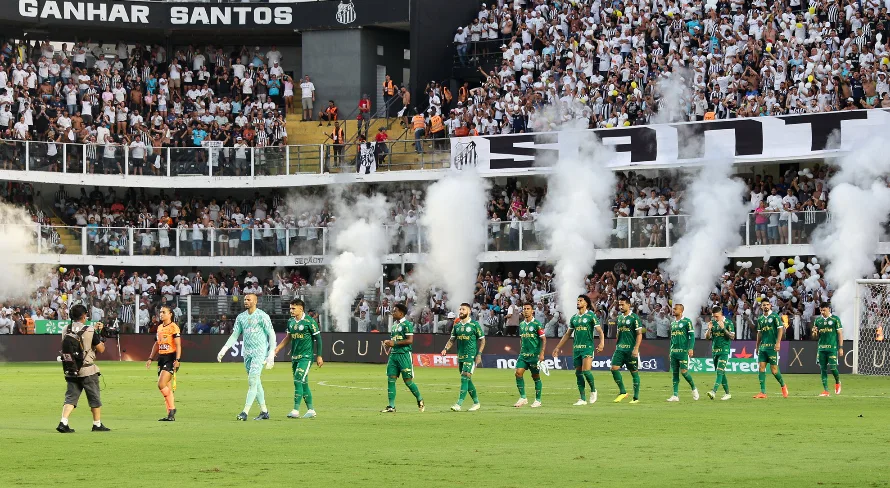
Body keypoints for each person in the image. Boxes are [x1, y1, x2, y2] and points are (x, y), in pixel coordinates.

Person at [217, 293, 276, 420]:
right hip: (247, 353)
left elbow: (271, 334)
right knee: (256, 382)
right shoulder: (241, 317)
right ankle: (264, 411)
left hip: (259, 352)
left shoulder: (262, 316)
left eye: (249, 299)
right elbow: (235, 335)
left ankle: (245, 412)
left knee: (252, 380)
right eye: (245, 299)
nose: (246, 301)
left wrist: (271, 352)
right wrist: (225, 348)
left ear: (255, 301)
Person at [57, 304, 110, 433]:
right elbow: (101, 349)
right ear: (84, 315)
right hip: (87, 369)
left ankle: (63, 422)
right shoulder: (90, 330)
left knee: (70, 397)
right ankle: (96, 424)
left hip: (71, 368)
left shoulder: (65, 329)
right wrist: (100, 336)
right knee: (94, 397)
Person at [273, 299, 323, 418]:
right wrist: (278, 348)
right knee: (303, 383)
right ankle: (311, 410)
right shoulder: (291, 321)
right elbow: (288, 337)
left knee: (297, 380)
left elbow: (319, 339)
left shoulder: (309, 321)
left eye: (293, 308)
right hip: (295, 357)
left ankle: (295, 410)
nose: (291, 310)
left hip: (306, 357)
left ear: (301, 308)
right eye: (290, 308)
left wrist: (319, 356)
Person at [551, 295, 603, 406]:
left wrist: (602, 343)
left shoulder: (591, 315)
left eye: (580, 301)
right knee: (578, 373)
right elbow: (567, 334)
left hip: (588, 347)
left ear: (586, 303)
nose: (578, 302)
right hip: (576, 349)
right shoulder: (574, 318)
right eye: (577, 300)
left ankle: (593, 390)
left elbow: (599, 330)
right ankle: (582, 399)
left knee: (586, 371)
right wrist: (557, 347)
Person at [381, 303, 424, 413]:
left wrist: (393, 343)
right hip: (394, 356)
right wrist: (388, 343)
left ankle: (420, 399)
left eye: (395, 311)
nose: (393, 312)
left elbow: (410, 341)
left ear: (401, 313)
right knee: (391, 380)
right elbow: (394, 341)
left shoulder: (407, 324)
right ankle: (391, 406)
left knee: (408, 381)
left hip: (404, 356)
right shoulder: (394, 326)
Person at [441, 303, 485, 411]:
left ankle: (459, 404)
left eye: (463, 309)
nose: (461, 311)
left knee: (464, 377)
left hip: (471, 356)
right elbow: (452, 340)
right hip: (460, 356)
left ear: (469, 311)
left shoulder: (474, 325)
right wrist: (445, 349)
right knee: (467, 380)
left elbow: (482, 340)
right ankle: (476, 402)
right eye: (460, 309)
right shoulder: (457, 326)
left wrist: (479, 354)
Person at [145, 305, 181, 421]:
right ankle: (170, 413)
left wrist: (178, 360)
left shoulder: (174, 327)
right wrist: (151, 358)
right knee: (167, 387)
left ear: (170, 314)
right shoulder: (159, 327)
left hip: (170, 358)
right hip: (161, 358)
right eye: (160, 312)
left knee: (161, 384)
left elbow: (178, 345)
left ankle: (172, 410)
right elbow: (157, 344)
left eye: (164, 312)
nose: (161, 314)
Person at [512, 303, 545, 408]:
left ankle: (538, 400)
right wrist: (521, 350)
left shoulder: (537, 324)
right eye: (524, 309)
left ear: (532, 311)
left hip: (534, 356)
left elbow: (543, 339)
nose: (526, 310)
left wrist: (541, 354)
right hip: (523, 355)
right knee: (518, 373)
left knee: (535, 376)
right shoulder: (521, 325)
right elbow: (522, 339)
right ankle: (523, 398)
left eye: (528, 309)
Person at [611, 296, 643, 403]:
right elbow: (619, 332)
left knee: (634, 372)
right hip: (619, 349)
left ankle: (636, 398)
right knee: (614, 368)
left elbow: (639, 334)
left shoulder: (634, 318)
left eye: (622, 304)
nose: (620, 306)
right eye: (619, 304)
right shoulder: (620, 318)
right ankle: (623, 392)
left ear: (629, 305)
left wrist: (636, 348)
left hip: (630, 350)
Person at [754, 301, 788, 399]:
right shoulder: (760, 318)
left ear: (770, 306)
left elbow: (780, 329)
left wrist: (778, 343)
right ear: (761, 307)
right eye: (764, 305)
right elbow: (759, 333)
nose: (765, 306)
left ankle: (783, 385)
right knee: (761, 367)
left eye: (767, 304)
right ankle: (762, 392)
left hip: (772, 347)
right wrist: (757, 346)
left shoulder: (774, 316)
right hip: (763, 347)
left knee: (774, 370)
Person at [666, 304, 698, 402]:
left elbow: (692, 336)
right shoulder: (673, 323)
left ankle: (694, 388)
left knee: (684, 372)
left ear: (681, 311)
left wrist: (691, 348)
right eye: (673, 308)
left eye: (675, 309)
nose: (673, 310)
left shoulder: (687, 321)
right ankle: (675, 395)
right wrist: (670, 351)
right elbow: (672, 338)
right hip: (674, 352)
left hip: (683, 352)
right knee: (675, 373)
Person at [812, 303, 843, 397]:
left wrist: (840, 347)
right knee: (823, 369)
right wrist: (814, 333)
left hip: (832, 348)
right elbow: (814, 336)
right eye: (821, 310)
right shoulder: (818, 320)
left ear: (829, 309)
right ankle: (826, 390)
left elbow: (840, 334)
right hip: (821, 348)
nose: (822, 312)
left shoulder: (835, 319)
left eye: (824, 310)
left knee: (833, 368)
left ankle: (838, 382)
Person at [705, 306, 734, 400]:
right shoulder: (712, 323)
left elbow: (732, 337)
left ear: (721, 314)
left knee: (720, 371)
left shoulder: (728, 323)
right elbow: (707, 337)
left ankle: (713, 392)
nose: (715, 318)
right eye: (714, 316)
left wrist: (723, 328)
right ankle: (727, 393)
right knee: (721, 373)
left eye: (717, 316)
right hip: (715, 351)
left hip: (724, 351)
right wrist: (709, 329)